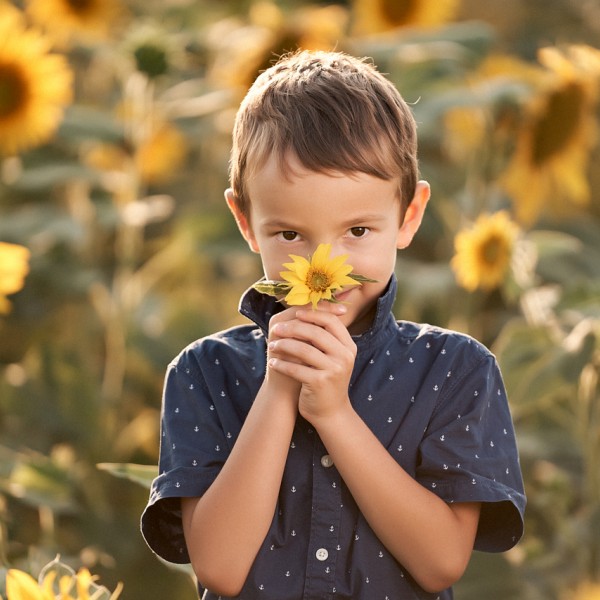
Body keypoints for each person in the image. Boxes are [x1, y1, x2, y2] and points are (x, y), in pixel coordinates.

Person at [141, 49, 526, 600]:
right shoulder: (204, 372)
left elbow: (441, 562)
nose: (327, 266)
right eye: (291, 236)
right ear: (246, 223)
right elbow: (219, 569)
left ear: (408, 216)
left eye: (358, 231)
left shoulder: (457, 369)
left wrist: (335, 415)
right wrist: (280, 388)